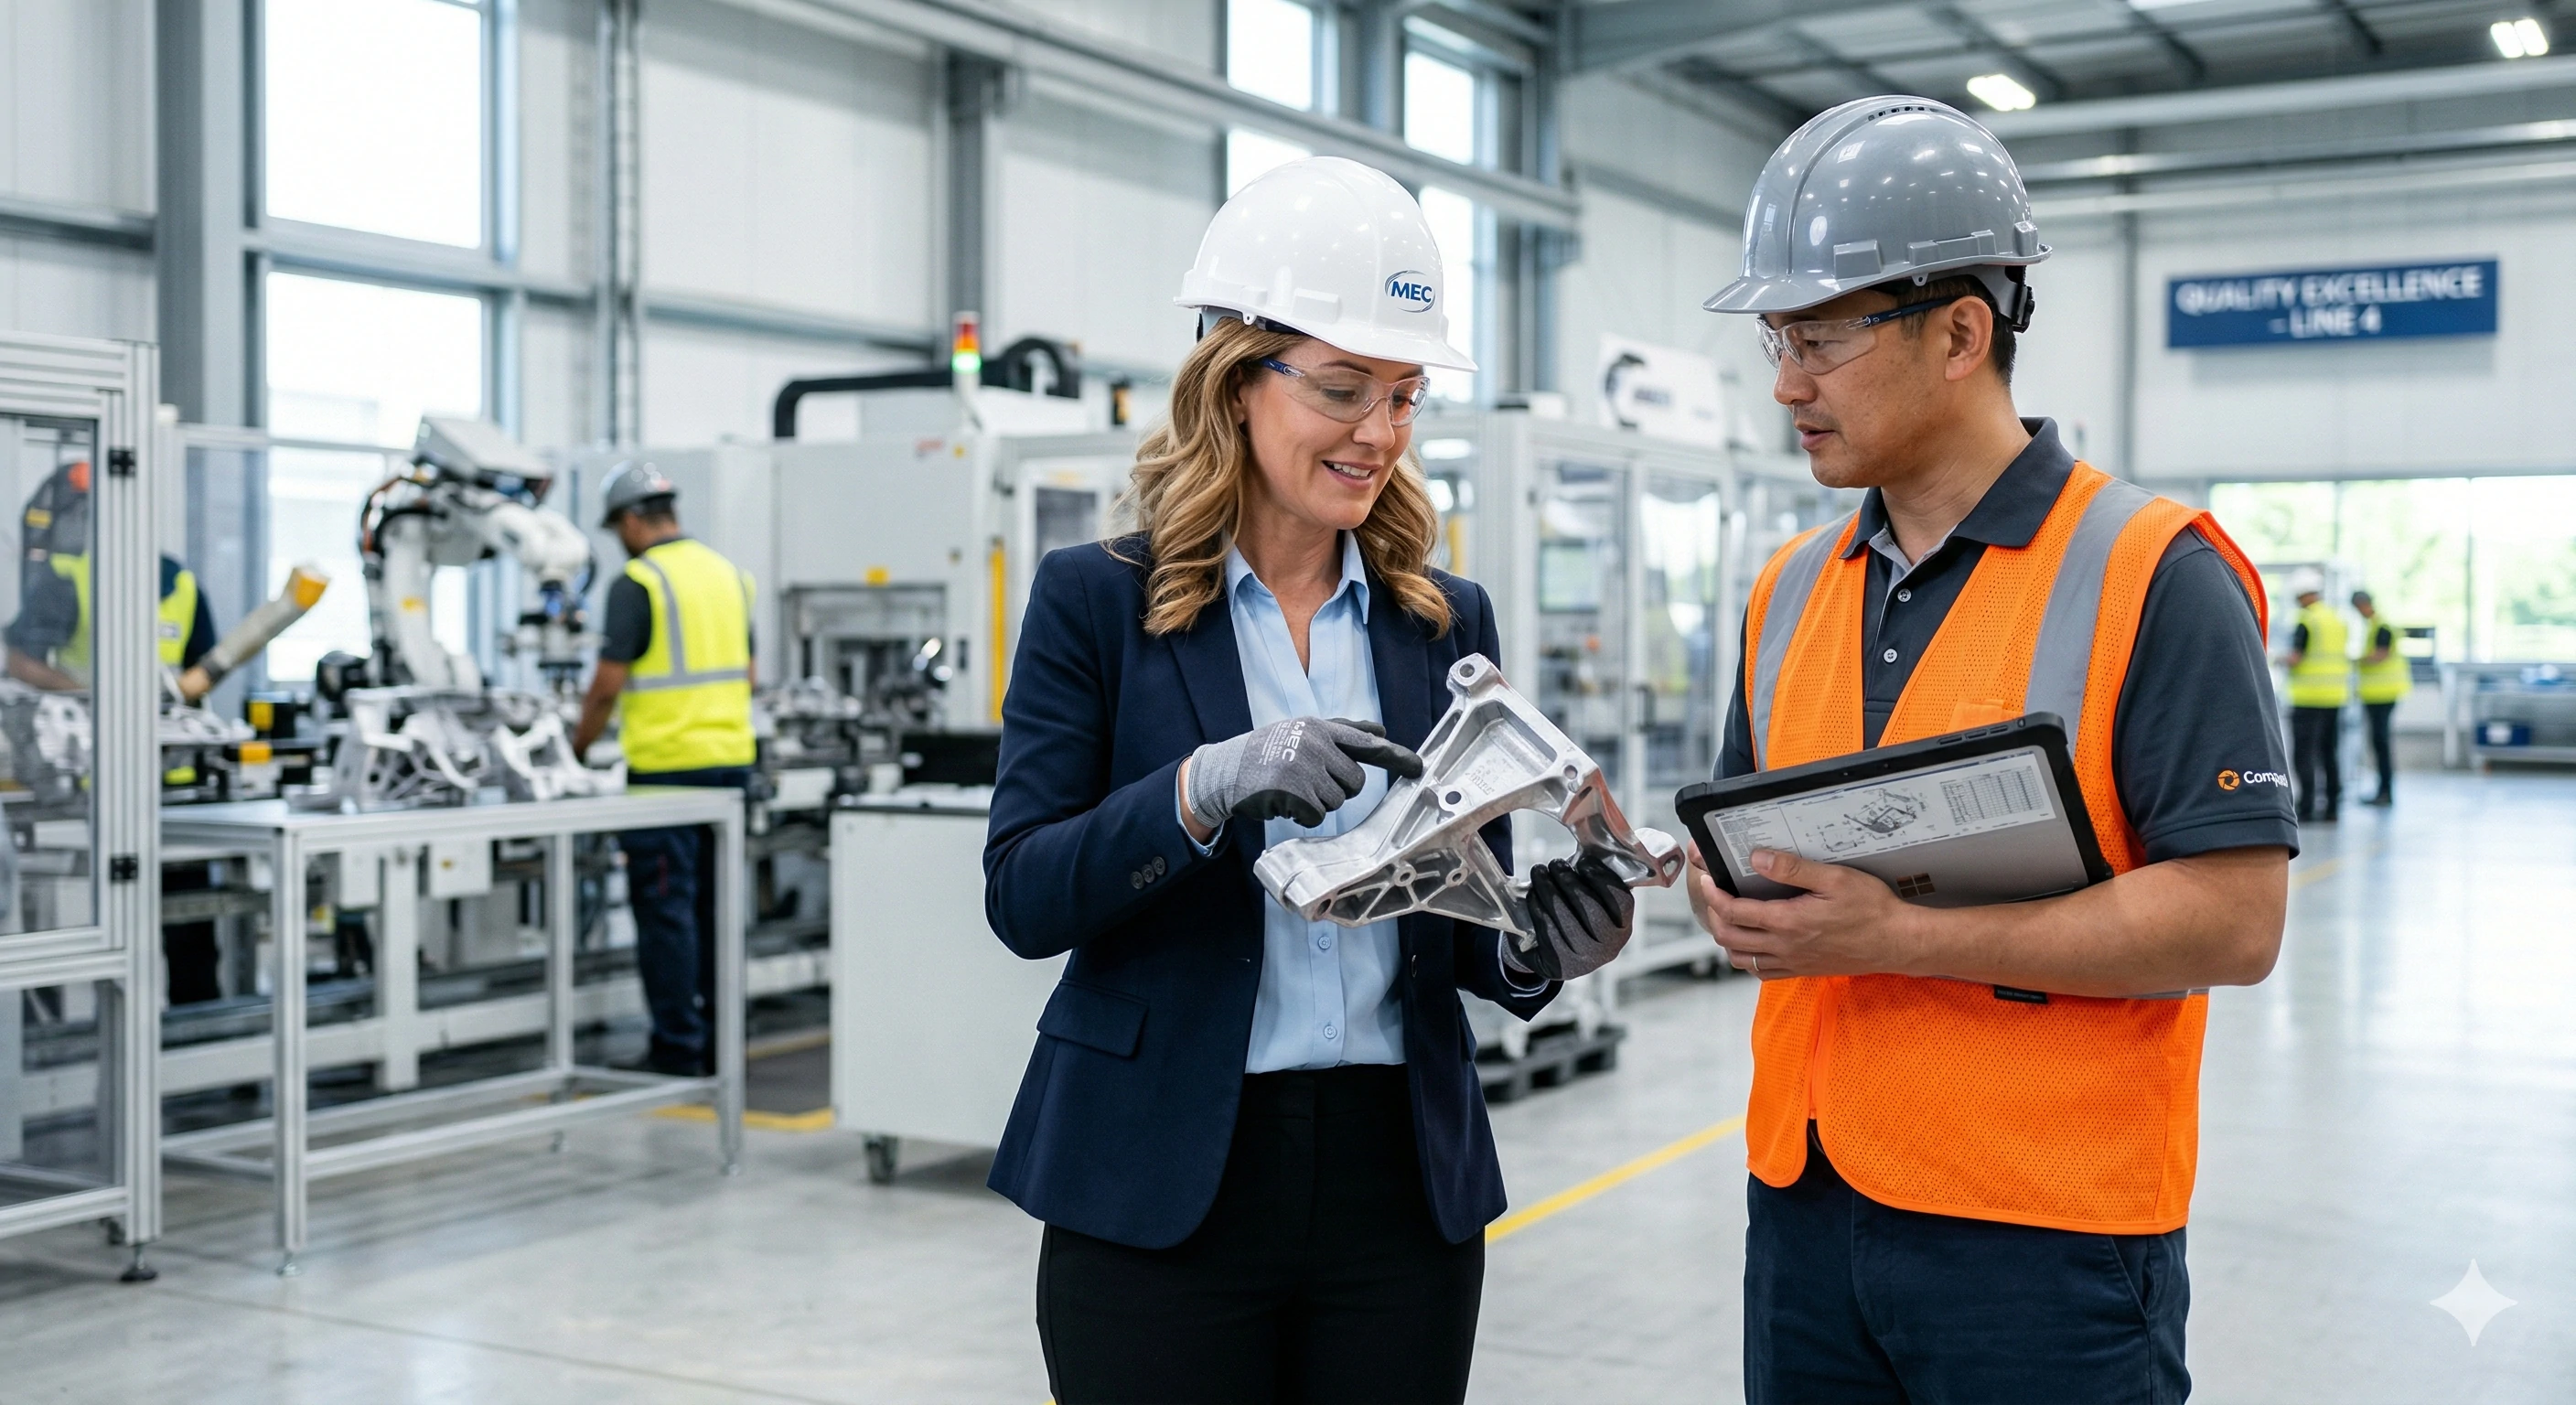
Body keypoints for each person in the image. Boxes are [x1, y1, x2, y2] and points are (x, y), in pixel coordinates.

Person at [982, 156, 1637, 1405]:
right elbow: (1022, 896)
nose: (1380, 434)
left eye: (1403, 396)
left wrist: (1542, 945)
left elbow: (1463, 909)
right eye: (1343, 389)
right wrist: (1201, 790)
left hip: (1400, 1183)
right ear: (1235, 381)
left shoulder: (1442, 619)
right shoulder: (1097, 603)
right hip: (1163, 1173)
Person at [1691, 96, 2298, 1404]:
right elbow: (1760, 840)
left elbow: (2236, 922)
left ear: (1962, 330)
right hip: (1806, 1207)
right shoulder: (1789, 587)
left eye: (1823, 338)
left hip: (2049, 1242)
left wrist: (1902, 938)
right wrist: (1725, 897)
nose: (1787, 382)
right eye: (1775, 339)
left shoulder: (2154, 573)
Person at [5, 458, 229, 1003]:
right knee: (107, 935)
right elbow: (20, 661)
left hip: (172, 786)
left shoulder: (178, 580)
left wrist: (166, 701)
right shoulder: (72, 576)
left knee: (190, 925)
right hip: (90, 786)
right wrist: (93, 700)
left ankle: (194, 1040)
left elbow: (203, 670)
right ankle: (97, 1039)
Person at [572, 464, 756, 1078]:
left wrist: (575, 749)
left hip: (666, 778)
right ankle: (725, 1041)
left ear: (629, 520)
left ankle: (679, 1048)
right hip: (732, 770)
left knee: (666, 916)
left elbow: (605, 686)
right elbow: (749, 675)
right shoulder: (728, 575)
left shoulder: (639, 582)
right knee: (717, 912)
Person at [2285, 571, 2348, 822]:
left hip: (2308, 698)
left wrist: (2278, 659)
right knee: (2329, 752)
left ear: (2301, 595)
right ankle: (2333, 807)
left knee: (2304, 753)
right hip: (2334, 697)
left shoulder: (2307, 620)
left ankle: (2307, 806)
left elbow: (2296, 658)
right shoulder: (2335, 619)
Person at [2351, 589, 2408, 806]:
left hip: (2383, 694)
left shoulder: (2381, 626)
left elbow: (2379, 655)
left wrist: (2355, 660)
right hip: (2377, 695)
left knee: (2381, 743)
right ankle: (2383, 790)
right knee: (2379, 743)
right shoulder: (2375, 625)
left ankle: (2385, 791)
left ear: (2364, 604)